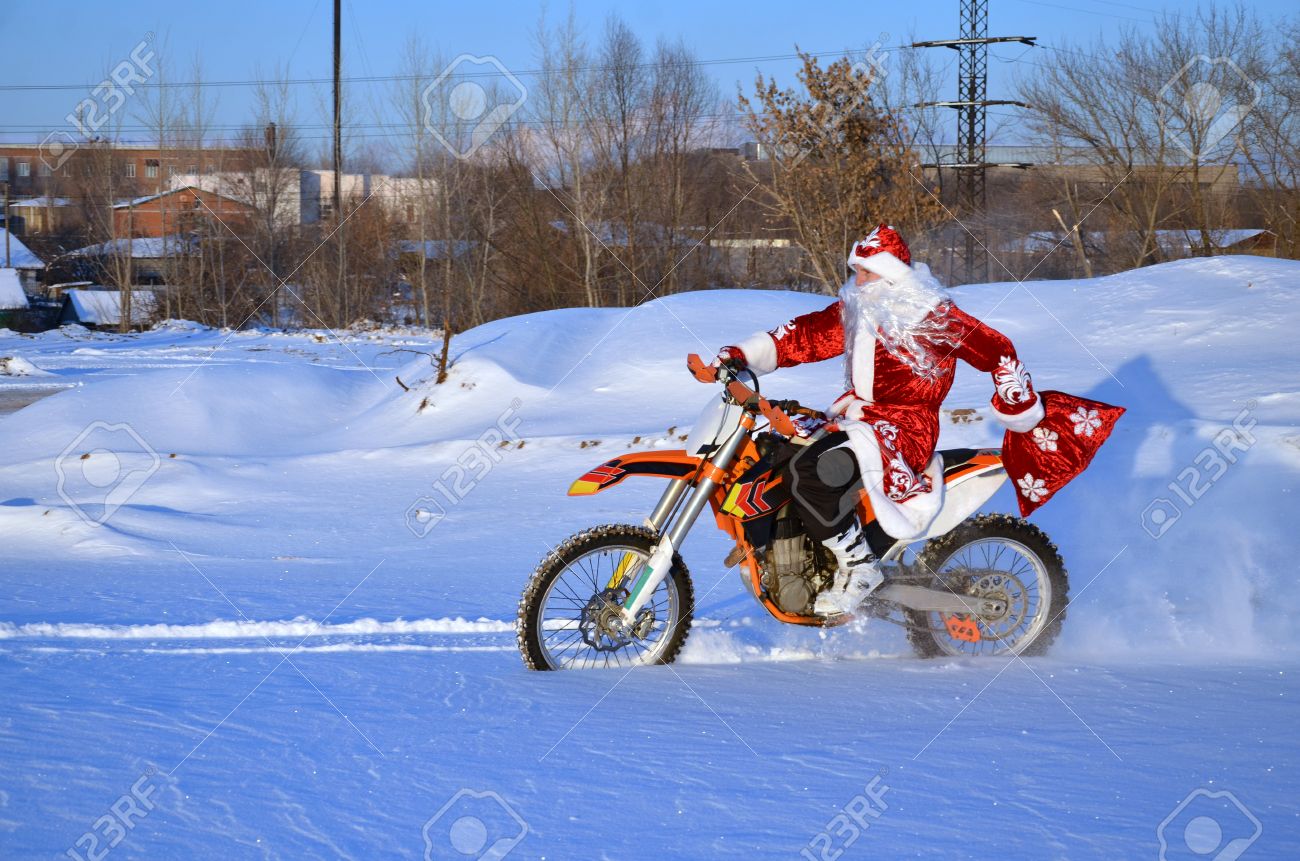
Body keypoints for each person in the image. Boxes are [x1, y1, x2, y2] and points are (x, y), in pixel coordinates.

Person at [705, 224, 1122, 615]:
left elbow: (996, 348)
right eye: (856, 272)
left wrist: (1017, 403)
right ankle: (801, 557)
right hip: (858, 416)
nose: (858, 281)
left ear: (890, 276)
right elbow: (801, 336)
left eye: (866, 273)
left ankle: (860, 567)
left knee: (815, 469)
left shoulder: (931, 315)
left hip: (905, 428)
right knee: (777, 454)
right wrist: (739, 355)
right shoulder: (858, 312)